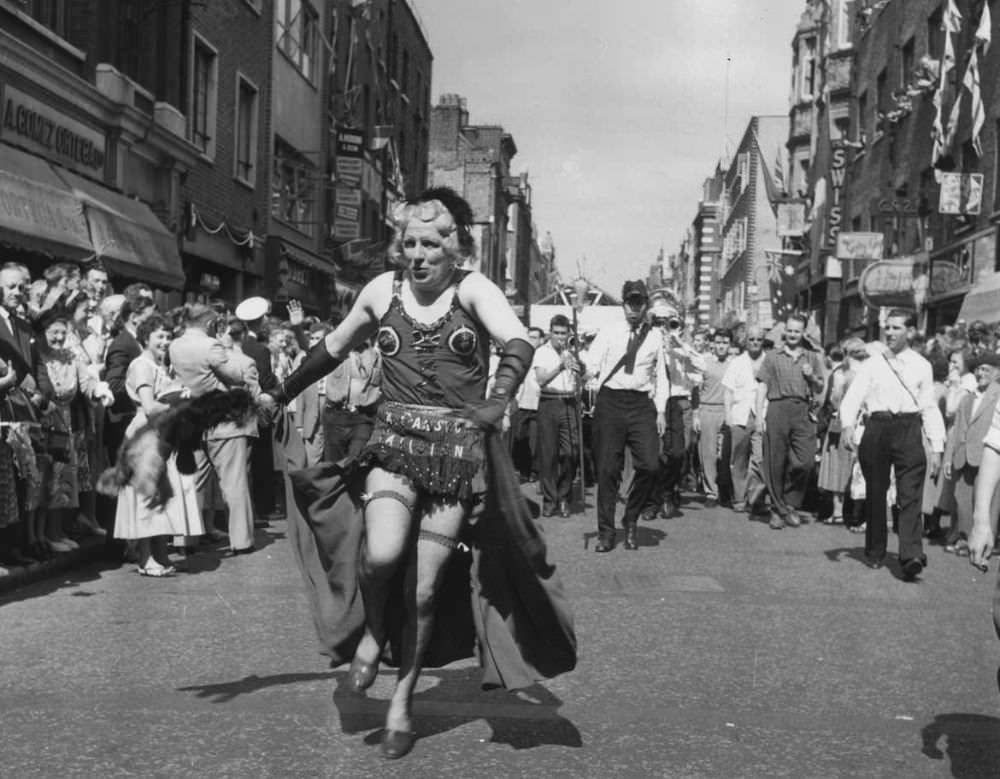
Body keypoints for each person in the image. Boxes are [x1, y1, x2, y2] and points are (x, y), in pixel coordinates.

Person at [260, 187, 574, 759]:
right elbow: (332, 347)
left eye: (432, 243)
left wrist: (497, 399)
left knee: (425, 589)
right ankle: (376, 634)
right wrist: (278, 393)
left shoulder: (474, 289)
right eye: (411, 243)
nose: (420, 254)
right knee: (381, 556)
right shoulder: (382, 291)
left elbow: (518, 340)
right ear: (400, 248)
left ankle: (403, 698)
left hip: (455, 452)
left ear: (455, 248)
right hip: (393, 441)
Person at [840, 310, 945, 580]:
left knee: (910, 493)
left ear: (910, 332)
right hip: (877, 428)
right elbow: (855, 394)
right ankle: (875, 550)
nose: (890, 332)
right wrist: (848, 425)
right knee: (876, 491)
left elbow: (929, 406)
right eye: (887, 328)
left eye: (897, 328)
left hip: (909, 429)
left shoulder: (922, 365)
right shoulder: (873, 364)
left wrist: (936, 445)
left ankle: (910, 555)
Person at [112, 314, 203, 576]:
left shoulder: (161, 367)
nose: (164, 341)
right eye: (159, 337)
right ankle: (145, 557)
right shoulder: (141, 365)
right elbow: (150, 406)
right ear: (146, 338)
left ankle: (160, 552)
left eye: (167, 336)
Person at [584, 280, 668, 552]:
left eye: (639, 303)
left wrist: (662, 410)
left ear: (646, 305)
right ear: (623, 304)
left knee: (650, 465)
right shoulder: (608, 332)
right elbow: (592, 366)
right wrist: (580, 368)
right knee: (608, 470)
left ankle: (630, 518)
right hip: (611, 401)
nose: (634, 308)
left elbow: (662, 376)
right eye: (630, 303)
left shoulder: (655, 336)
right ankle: (606, 532)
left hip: (641, 403)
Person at [169, 304, 257, 555]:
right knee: (233, 483)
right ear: (209, 324)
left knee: (192, 482)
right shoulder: (211, 346)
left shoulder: (175, 346)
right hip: (223, 420)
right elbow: (234, 376)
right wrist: (237, 361)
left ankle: (184, 539)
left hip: (193, 420)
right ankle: (241, 541)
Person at [756, 313, 825, 530]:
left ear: (804, 332)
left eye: (797, 331)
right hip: (778, 408)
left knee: (804, 461)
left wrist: (811, 376)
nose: (793, 334)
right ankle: (779, 510)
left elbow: (820, 387)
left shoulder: (812, 357)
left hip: (802, 409)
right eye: (790, 330)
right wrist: (759, 416)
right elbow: (762, 386)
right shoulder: (773, 356)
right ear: (784, 331)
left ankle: (790, 502)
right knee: (775, 460)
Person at [941, 354, 1000, 555]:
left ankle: (985, 544)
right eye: (978, 369)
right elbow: (957, 429)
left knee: (988, 501)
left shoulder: (998, 395)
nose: (981, 373)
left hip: (988, 456)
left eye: (986, 369)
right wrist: (949, 458)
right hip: (963, 456)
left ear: (997, 372)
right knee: (962, 500)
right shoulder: (967, 397)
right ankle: (965, 539)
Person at [534, 314, 581, 517]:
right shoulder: (541, 352)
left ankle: (564, 495)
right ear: (550, 333)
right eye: (557, 333)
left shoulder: (573, 352)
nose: (560, 337)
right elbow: (542, 379)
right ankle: (550, 499)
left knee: (572, 452)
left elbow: (583, 379)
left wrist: (580, 370)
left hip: (569, 403)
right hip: (548, 402)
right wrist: (560, 366)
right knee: (549, 455)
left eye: (563, 333)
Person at [723, 325, 767, 515]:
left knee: (760, 458)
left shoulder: (769, 361)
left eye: (758, 339)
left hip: (762, 416)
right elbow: (728, 391)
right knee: (739, 459)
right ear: (746, 341)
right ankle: (739, 498)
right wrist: (728, 414)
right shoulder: (736, 362)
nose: (755, 342)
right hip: (740, 415)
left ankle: (756, 497)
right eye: (752, 339)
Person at [322, 337, 381, 463]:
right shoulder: (337, 351)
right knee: (334, 465)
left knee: (356, 460)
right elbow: (310, 352)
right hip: (336, 415)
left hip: (363, 416)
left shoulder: (377, 356)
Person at [696, 328, 733, 508]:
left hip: (726, 411)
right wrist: (697, 413)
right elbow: (696, 388)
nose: (721, 346)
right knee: (708, 454)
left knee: (725, 454)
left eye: (725, 343)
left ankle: (725, 489)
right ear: (713, 344)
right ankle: (711, 492)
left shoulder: (734, 364)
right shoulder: (704, 361)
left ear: (729, 345)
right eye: (718, 342)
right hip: (708, 410)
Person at [511, 326, 543, 482]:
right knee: (520, 438)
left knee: (535, 441)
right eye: (529, 337)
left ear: (541, 339)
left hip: (539, 404)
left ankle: (534, 471)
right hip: (522, 403)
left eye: (535, 337)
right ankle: (523, 470)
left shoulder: (543, 355)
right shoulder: (523, 355)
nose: (532, 340)